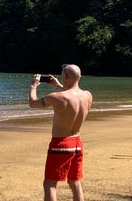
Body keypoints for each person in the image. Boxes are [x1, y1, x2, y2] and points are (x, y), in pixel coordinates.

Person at [29, 64, 92, 201]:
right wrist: (58, 85)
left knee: (50, 184)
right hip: (77, 143)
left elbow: (33, 103)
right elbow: (72, 96)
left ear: (65, 77)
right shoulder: (87, 96)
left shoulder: (56, 97)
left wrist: (34, 86)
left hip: (61, 144)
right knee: (74, 182)